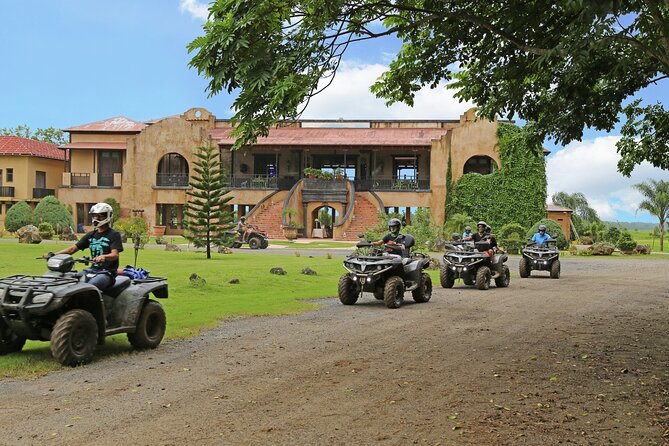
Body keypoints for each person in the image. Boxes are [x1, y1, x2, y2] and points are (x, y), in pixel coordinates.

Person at [53, 203, 123, 292]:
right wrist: (54, 255)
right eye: (95, 216)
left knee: (89, 287)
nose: (96, 219)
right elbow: (72, 249)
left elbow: (115, 254)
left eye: (100, 216)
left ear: (108, 216)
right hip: (91, 270)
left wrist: (104, 256)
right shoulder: (91, 235)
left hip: (107, 273)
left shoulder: (114, 235)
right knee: (71, 282)